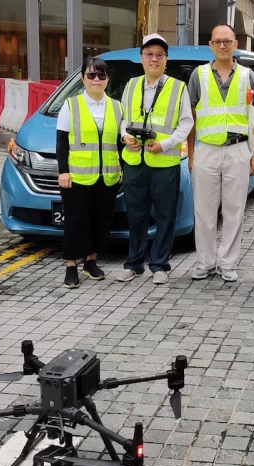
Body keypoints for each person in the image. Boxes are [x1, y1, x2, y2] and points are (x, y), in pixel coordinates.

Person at [186, 24, 254, 282]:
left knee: (235, 210)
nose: (222, 45)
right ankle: (205, 262)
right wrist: (191, 153)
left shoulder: (248, 76)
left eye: (227, 41)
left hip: (238, 150)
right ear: (210, 45)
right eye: (217, 41)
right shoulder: (198, 75)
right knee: (204, 211)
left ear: (235, 44)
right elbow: (192, 116)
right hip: (206, 150)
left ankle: (228, 263)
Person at [116, 33, 193, 285]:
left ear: (166, 59)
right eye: (149, 54)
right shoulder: (131, 85)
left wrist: (166, 144)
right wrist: (125, 135)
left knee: (164, 215)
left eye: (160, 55)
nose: (154, 59)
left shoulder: (178, 87)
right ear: (141, 58)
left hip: (164, 162)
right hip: (135, 161)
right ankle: (134, 264)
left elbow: (186, 123)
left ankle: (160, 265)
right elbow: (124, 119)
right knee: (136, 214)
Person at [55, 57, 123, 288]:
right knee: (76, 221)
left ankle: (91, 262)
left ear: (107, 79)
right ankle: (71, 265)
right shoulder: (71, 104)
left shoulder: (116, 106)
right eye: (91, 75)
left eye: (101, 75)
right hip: (77, 176)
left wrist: (122, 167)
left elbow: (119, 142)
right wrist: (63, 171)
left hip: (108, 176)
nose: (96, 79)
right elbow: (61, 142)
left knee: (101, 221)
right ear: (83, 78)